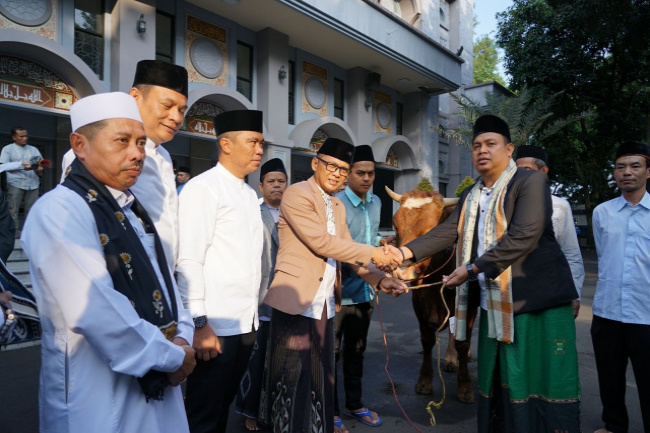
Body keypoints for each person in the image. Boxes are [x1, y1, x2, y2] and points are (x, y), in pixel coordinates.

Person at [22, 92, 196, 433]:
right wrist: (173, 355)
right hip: (98, 392)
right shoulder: (60, 210)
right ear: (79, 144)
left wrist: (182, 337)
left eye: (141, 142)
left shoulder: (132, 212)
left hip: (161, 370)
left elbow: (166, 284)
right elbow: (97, 311)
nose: (136, 153)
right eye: (122, 141)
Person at [398, 115, 580, 432]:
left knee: (540, 382)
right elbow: (445, 233)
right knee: (500, 381)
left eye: (491, 144)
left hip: (538, 303)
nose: (482, 150)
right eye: (477, 145)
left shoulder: (530, 182)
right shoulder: (471, 195)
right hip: (494, 305)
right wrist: (402, 253)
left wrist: (472, 268)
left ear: (508, 150)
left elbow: (525, 235)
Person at [260, 137, 406, 433]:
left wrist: (381, 280)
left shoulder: (336, 205)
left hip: (324, 304)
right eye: (332, 166)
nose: (338, 173)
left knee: (320, 377)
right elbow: (322, 242)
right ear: (315, 164)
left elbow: (348, 253)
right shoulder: (297, 194)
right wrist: (375, 252)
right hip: (296, 300)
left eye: (343, 168)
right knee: (290, 378)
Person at [177, 110, 265, 433]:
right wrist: (199, 323)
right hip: (214, 329)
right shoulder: (204, 189)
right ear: (225, 144)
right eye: (253, 142)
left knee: (223, 407)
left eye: (261, 144)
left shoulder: (248, 194)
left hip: (245, 324)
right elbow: (188, 260)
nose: (259, 150)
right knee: (203, 412)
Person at [63, 59, 188, 273]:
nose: (176, 117)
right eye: (167, 106)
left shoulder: (164, 157)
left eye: (182, 110)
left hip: (163, 280)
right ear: (135, 97)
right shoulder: (92, 156)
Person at [591, 141, 650, 433]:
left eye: (635, 166)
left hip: (646, 315)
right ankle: (614, 427)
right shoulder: (602, 212)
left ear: (648, 171)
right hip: (607, 312)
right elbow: (604, 256)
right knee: (610, 378)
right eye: (621, 166)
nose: (627, 172)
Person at [235, 157, 287, 431]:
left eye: (281, 181)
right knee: (256, 360)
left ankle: (278, 408)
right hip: (260, 297)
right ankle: (250, 411)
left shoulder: (294, 213)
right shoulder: (252, 213)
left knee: (282, 360)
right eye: (271, 182)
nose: (276, 186)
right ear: (261, 185)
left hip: (289, 298)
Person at [333, 144, 382, 428]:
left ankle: (354, 404)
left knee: (356, 351)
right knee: (332, 354)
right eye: (360, 172)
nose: (366, 178)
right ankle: (332, 410)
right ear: (348, 173)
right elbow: (342, 250)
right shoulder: (336, 203)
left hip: (365, 293)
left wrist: (382, 249)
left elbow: (371, 241)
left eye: (371, 173)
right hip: (338, 294)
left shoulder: (375, 202)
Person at [515, 146, 585, 318]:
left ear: (543, 171)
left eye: (527, 170)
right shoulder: (506, 204)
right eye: (516, 171)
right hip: (515, 295)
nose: (520, 176)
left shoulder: (559, 206)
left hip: (551, 292)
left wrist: (575, 294)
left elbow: (571, 253)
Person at [0, 127, 44, 232]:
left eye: (26, 136)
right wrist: (21, 165)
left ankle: (30, 232)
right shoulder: (8, 149)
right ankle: (14, 232)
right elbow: (3, 166)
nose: (25, 138)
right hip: (15, 183)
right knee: (13, 209)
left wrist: (39, 168)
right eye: (21, 136)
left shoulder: (33, 149)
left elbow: (40, 163)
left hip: (33, 183)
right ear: (14, 137)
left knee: (32, 209)